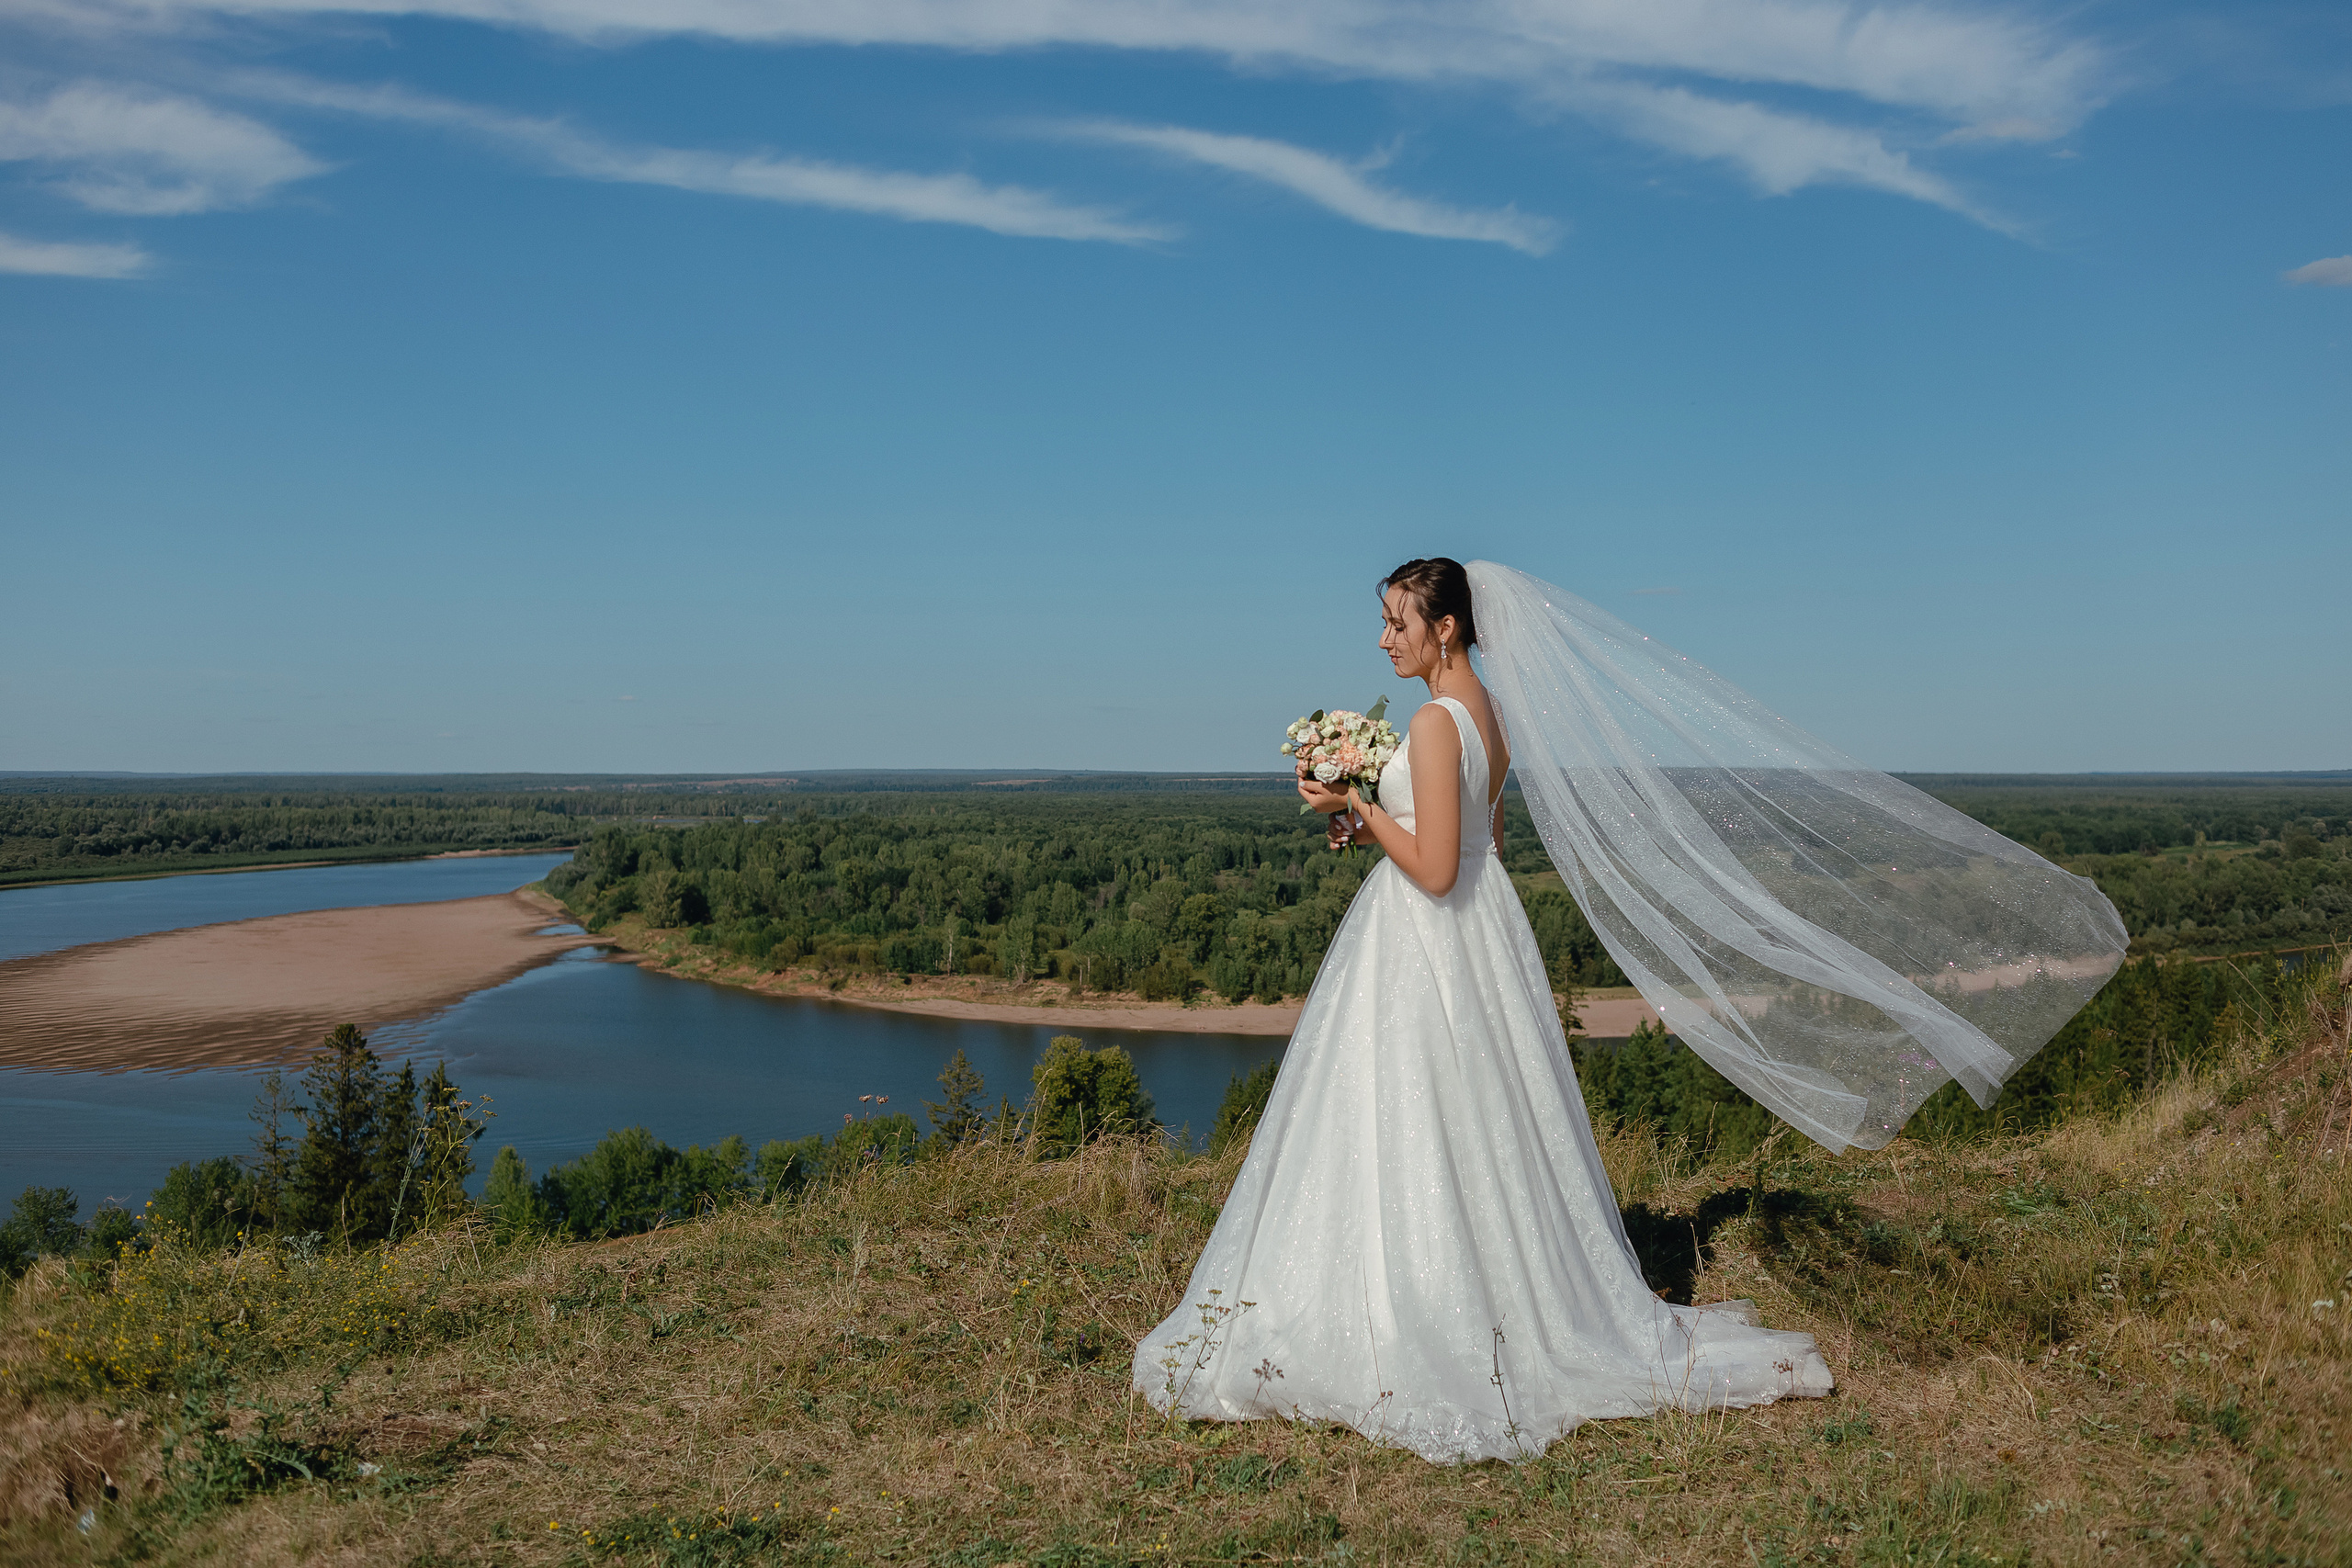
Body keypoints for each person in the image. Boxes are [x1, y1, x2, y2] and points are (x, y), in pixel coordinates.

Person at [1131, 557, 2125, 1462]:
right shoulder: (1487, 715)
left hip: (1427, 938)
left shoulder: (1434, 722)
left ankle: (1420, 1308)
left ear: (1445, 629)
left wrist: (1353, 809)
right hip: (1485, 938)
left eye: (1397, 622)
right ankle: (1492, 1277)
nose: (1384, 640)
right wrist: (1376, 814)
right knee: (1477, 1122)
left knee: (1406, 1112)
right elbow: (1481, 842)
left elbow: (1434, 869)